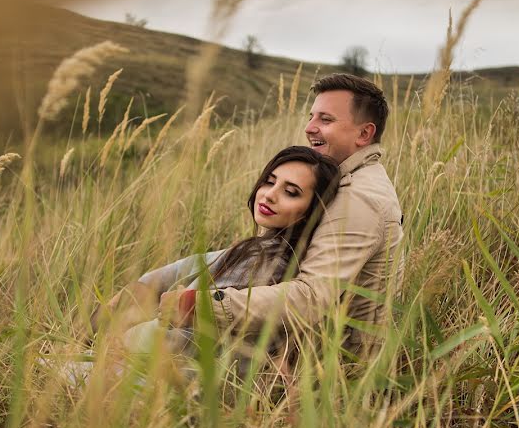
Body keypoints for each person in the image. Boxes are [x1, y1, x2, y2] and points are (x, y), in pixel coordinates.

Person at [159, 73, 404, 357]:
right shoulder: (347, 177)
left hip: (328, 362)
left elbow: (311, 298)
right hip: (302, 340)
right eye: (312, 116)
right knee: (232, 256)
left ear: (364, 134)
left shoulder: (360, 200)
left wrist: (198, 305)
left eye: (325, 120)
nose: (309, 128)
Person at [82, 146, 340, 380]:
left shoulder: (265, 262)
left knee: (50, 374)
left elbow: (180, 337)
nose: (270, 195)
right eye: (269, 182)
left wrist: (112, 347)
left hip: (169, 384)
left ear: (312, 211)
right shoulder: (252, 249)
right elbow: (156, 280)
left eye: (291, 192)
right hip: (155, 370)